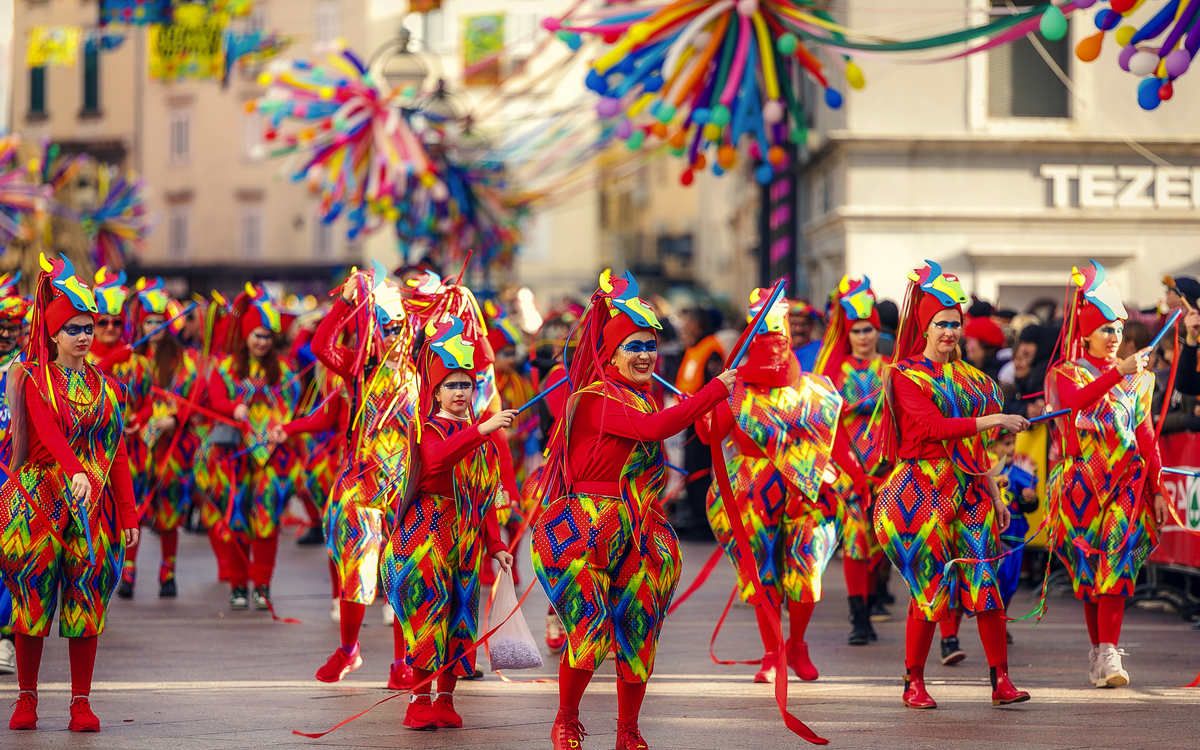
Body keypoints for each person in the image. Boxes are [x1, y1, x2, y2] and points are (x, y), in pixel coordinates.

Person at [532, 270, 735, 750]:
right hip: (580, 532)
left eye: (650, 346)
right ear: (611, 354)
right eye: (633, 347)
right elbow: (655, 430)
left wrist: (714, 405)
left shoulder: (640, 398)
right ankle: (565, 720)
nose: (644, 355)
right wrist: (713, 390)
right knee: (591, 631)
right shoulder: (595, 398)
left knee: (638, 632)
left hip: (638, 532)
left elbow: (684, 432)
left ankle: (628, 730)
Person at [875, 260, 1031, 710]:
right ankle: (913, 682)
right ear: (924, 327)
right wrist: (995, 419)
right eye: (941, 323)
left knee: (985, 585)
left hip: (971, 492)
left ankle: (1001, 681)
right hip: (919, 492)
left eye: (955, 324)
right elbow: (934, 428)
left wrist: (996, 495)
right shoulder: (904, 375)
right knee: (929, 589)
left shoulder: (973, 380)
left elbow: (975, 448)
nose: (949, 331)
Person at [0, 254, 139, 732]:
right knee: (32, 601)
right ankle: (26, 700)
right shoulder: (32, 377)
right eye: (73, 329)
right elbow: (48, 431)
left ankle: (81, 703)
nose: (83, 336)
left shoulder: (109, 388)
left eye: (88, 327)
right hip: (38, 502)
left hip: (91, 508)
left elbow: (117, 453)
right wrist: (74, 468)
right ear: (54, 334)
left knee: (86, 603)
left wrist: (128, 514)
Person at [275, 266, 419, 690]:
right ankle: (349, 649)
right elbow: (321, 345)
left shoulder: (424, 373)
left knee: (402, 576)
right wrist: (347, 301)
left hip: (406, 489)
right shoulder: (359, 370)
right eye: (384, 327)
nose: (392, 335)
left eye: (398, 327)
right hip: (360, 488)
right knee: (356, 571)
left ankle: (402, 662)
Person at [700, 288, 845, 683]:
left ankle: (797, 645)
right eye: (763, 336)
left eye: (779, 335)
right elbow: (710, 434)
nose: (773, 345)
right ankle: (772, 652)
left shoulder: (818, 388)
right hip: (749, 492)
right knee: (760, 572)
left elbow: (832, 441)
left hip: (807, 492)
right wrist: (707, 402)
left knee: (806, 570)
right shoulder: (735, 387)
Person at [381, 315, 516, 731]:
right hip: (425, 535)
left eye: (466, 384)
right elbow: (438, 461)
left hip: (465, 540)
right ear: (436, 391)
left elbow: (485, 496)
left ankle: (445, 699)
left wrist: (496, 545)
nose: (460, 392)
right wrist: (482, 428)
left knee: (460, 619)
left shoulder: (483, 439)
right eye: (451, 385)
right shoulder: (427, 429)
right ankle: (418, 700)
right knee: (427, 616)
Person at [1045, 260, 1169, 689]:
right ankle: (1098, 652)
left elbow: (1145, 434)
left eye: (1117, 329)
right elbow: (1075, 403)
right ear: (1085, 334)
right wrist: (1119, 372)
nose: (1114, 337)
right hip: (1080, 483)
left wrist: (1157, 487)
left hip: (1126, 484)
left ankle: (1110, 651)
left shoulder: (1141, 379)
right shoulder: (1064, 373)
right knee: (1088, 572)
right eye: (1104, 329)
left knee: (1116, 563)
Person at [207, 285, 302, 610]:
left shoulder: (285, 370)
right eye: (256, 335)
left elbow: (292, 404)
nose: (262, 342)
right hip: (234, 455)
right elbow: (215, 398)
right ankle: (237, 585)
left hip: (272, 457)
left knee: (266, 520)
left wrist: (280, 425)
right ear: (246, 335)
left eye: (267, 336)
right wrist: (234, 408)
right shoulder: (226, 367)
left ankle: (262, 586)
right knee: (235, 517)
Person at [813, 276, 890, 645]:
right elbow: (828, 424)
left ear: (877, 331)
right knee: (856, 540)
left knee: (881, 542)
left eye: (868, 329)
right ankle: (859, 616)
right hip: (847, 470)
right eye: (856, 330)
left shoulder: (891, 369)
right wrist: (852, 468)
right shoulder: (834, 372)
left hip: (885, 470)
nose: (862, 336)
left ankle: (871, 604)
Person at [115, 278, 194, 599]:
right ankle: (128, 572)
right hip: (136, 445)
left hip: (171, 447)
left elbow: (191, 398)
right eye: (149, 321)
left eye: (160, 321)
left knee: (169, 511)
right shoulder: (130, 358)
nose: (155, 327)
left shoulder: (182, 360)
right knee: (133, 507)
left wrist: (175, 418)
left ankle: (168, 572)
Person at [0, 272, 32, 676]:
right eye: (1, 327)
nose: (7, 334)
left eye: (13, 327)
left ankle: (6, 636)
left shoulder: (29, 368)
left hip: (17, 474)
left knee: (12, 552)